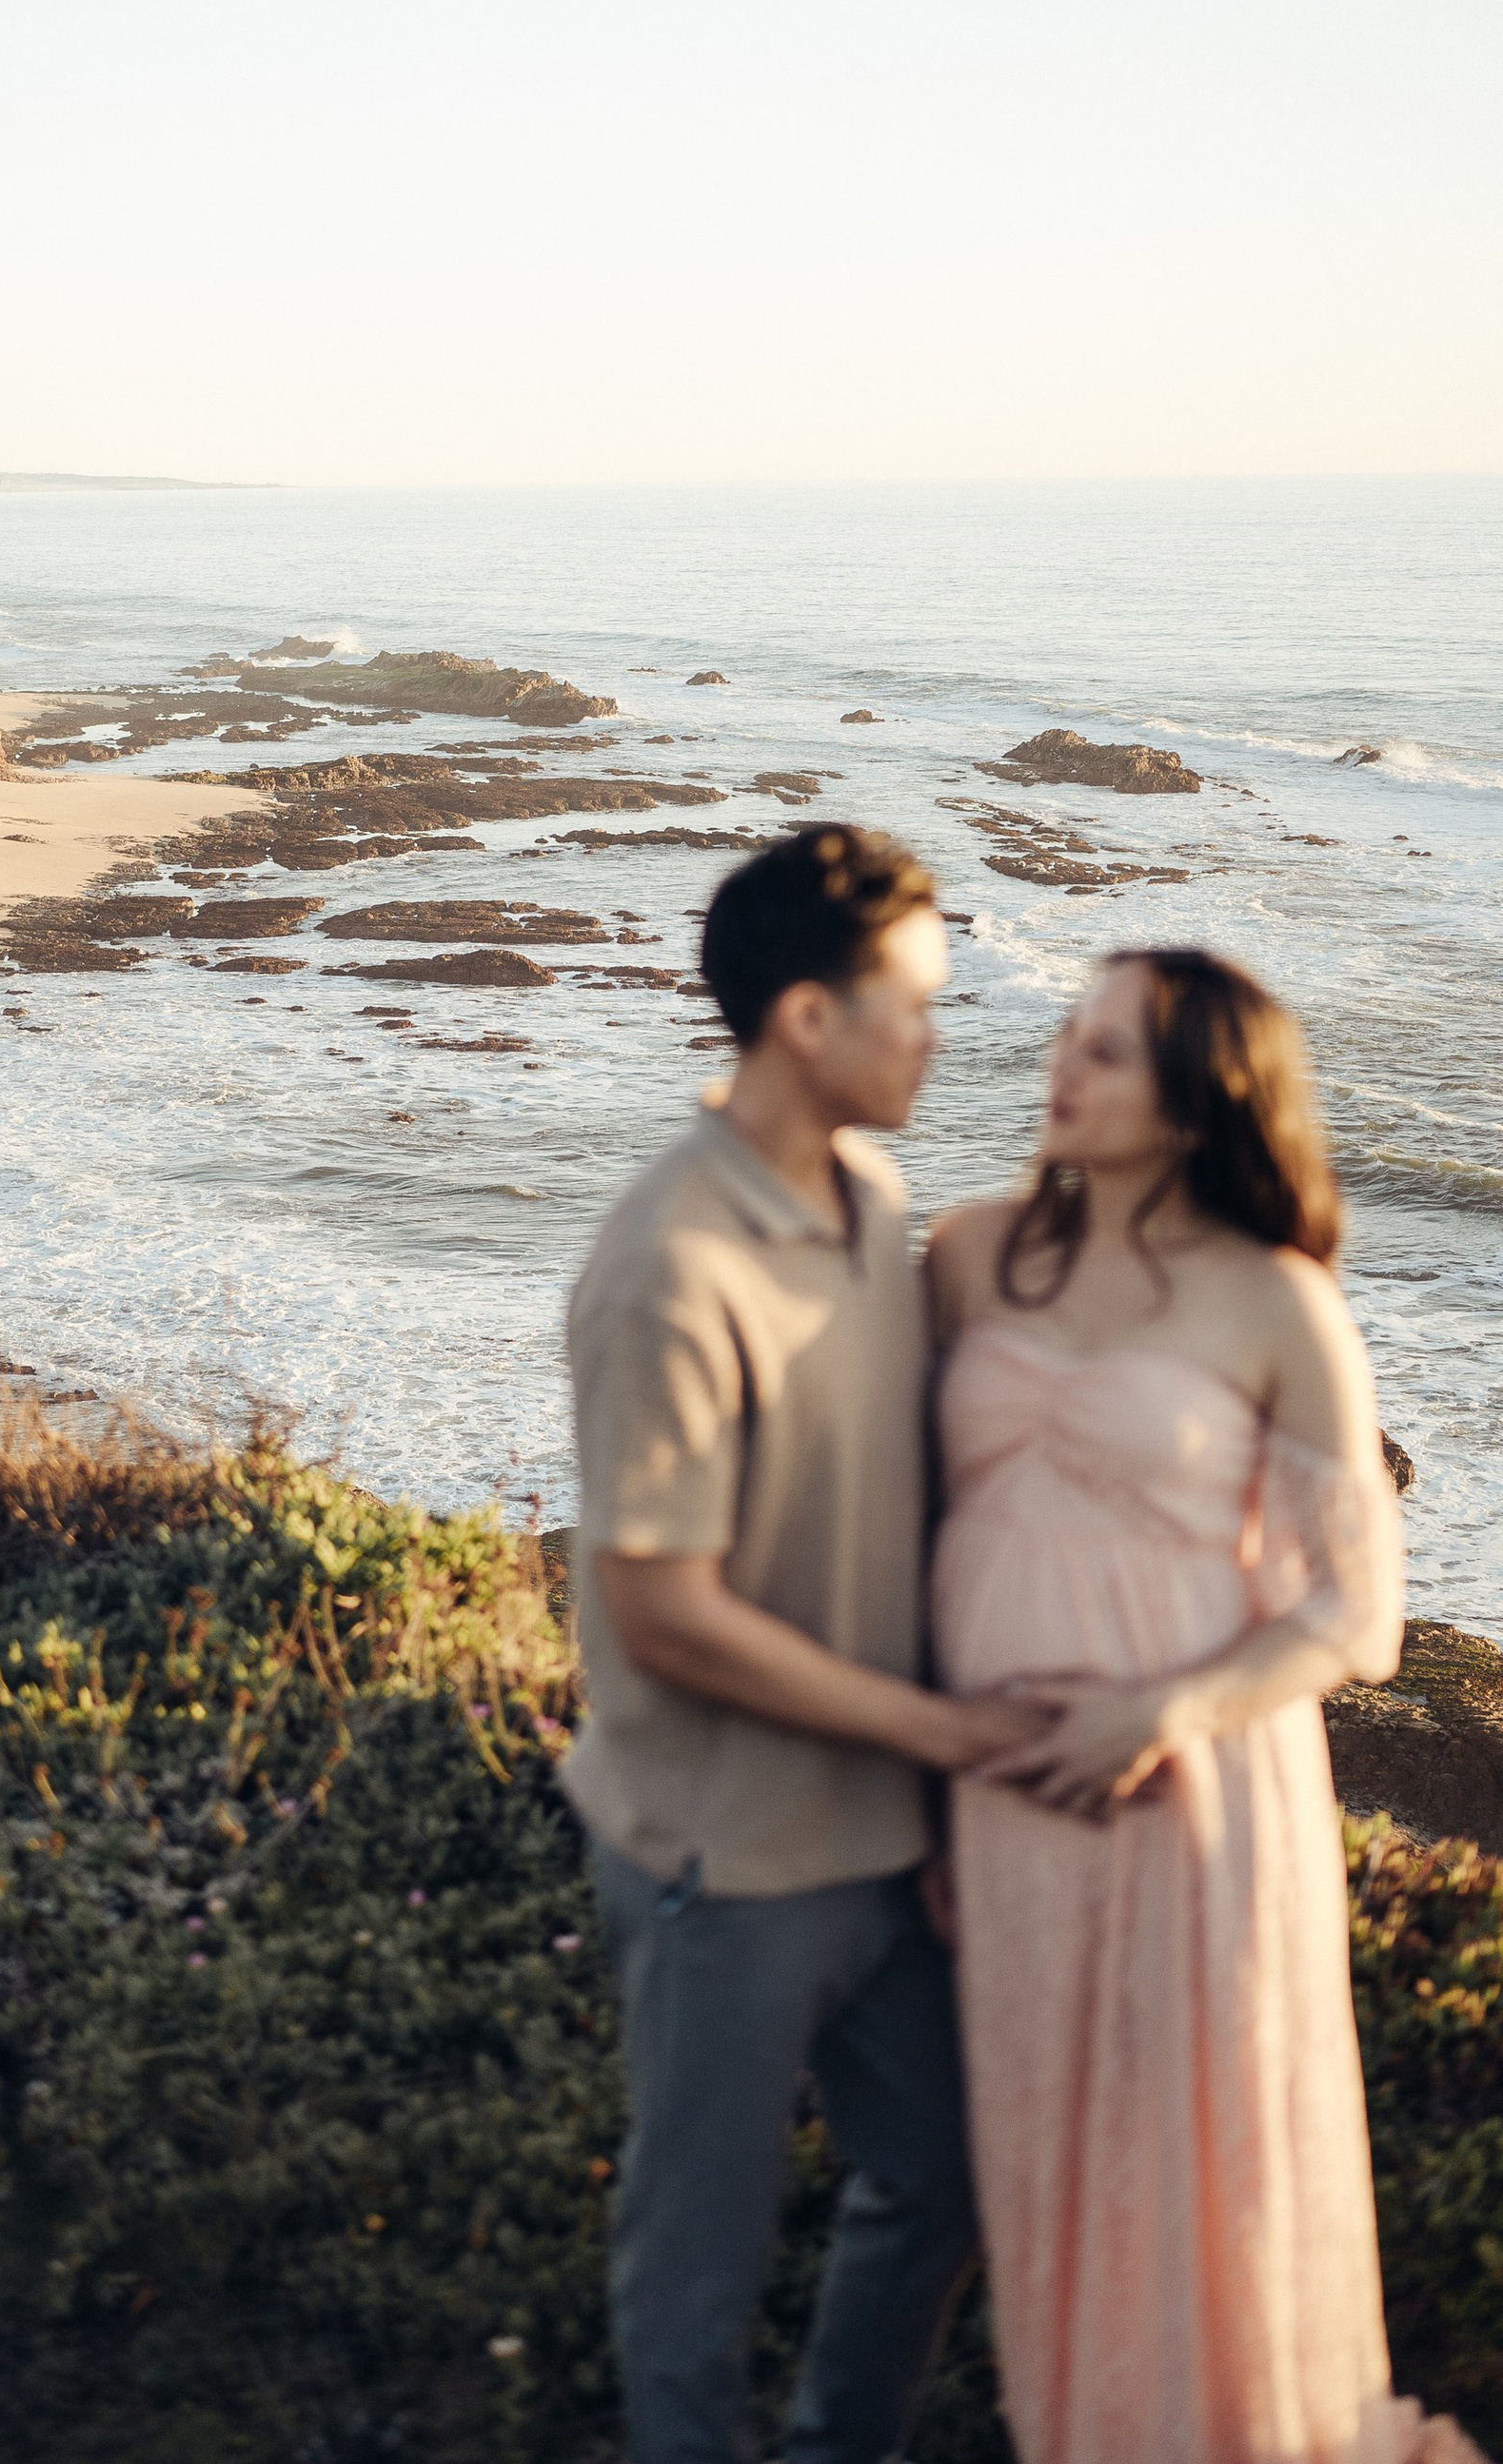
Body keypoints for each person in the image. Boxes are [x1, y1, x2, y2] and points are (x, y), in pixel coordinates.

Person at [930, 946, 1485, 2464]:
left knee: (1199, 2169)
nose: (1062, 1063)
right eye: (1068, 1031)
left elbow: (1356, 1617)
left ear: (1195, 1103)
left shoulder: (1278, 1303)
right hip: (1001, 1792)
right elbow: (896, 1509)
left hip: (1199, 1794)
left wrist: (1162, 1711)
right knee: (1049, 2164)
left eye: (1105, 1049)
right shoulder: (971, 1255)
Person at [563, 822, 1050, 2464]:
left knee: (944, 2173)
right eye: (911, 1001)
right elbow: (662, 1610)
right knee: (697, 2266)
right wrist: (943, 1737)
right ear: (804, 1020)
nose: (935, 1032)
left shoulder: (870, 1196)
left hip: (874, 1833)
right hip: (724, 1855)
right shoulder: (672, 1267)